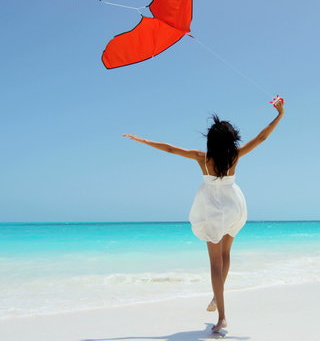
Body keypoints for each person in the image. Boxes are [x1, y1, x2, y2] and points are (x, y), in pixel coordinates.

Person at [122, 98, 284, 332]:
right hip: (233, 205)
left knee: (214, 263)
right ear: (231, 139)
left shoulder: (203, 158)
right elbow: (262, 137)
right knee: (226, 253)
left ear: (211, 141)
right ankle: (218, 300)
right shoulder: (235, 156)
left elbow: (169, 149)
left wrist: (142, 140)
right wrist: (280, 115)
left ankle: (222, 316)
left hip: (210, 207)